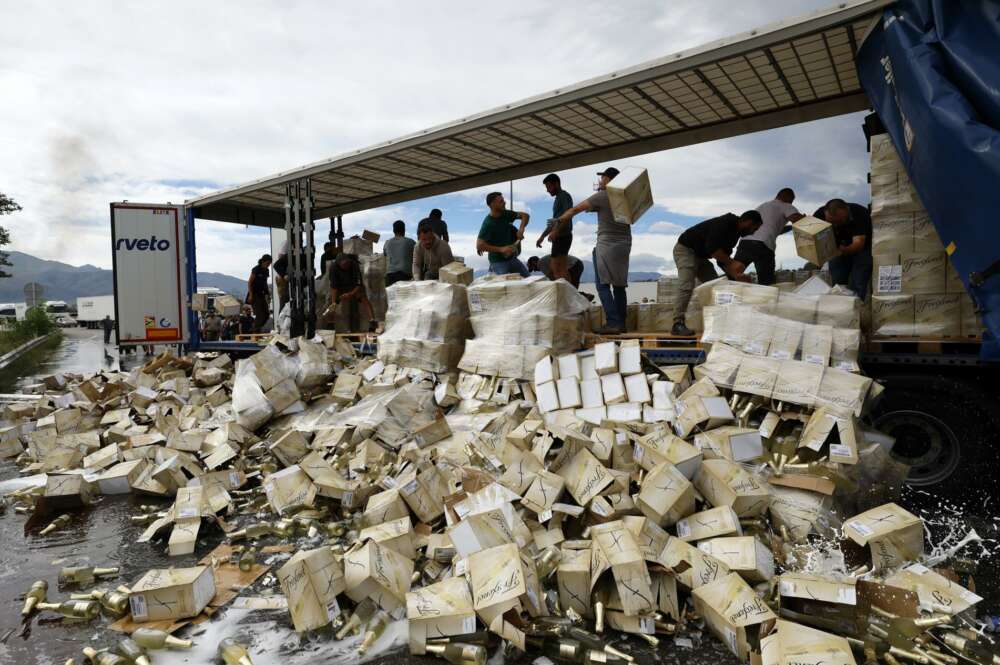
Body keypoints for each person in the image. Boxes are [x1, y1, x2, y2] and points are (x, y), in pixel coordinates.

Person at [551, 167, 629, 334]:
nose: (600, 182)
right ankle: (621, 322)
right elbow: (595, 209)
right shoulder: (624, 197)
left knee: (602, 285)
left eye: (602, 178)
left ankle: (613, 323)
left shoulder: (602, 196)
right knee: (619, 285)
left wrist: (559, 220)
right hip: (625, 244)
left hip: (607, 244)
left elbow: (575, 210)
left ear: (608, 180)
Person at [671, 210, 764, 335]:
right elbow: (713, 249)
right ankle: (677, 324)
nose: (753, 232)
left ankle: (721, 322)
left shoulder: (734, 235)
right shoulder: (725, 223)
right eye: (754, 228)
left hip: (701, 256)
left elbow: (722, 260)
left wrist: (737, 276)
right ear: (748, 222)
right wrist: (733, 263)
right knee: (686, 285)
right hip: (686, 249)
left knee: (715, 286)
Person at [734, 188, 804, 285]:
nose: (792, 203)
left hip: (745, 243)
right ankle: (765, 299)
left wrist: (791, 228)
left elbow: (775, 230)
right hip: (763, 246)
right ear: (787, 197)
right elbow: (797, 219)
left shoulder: (763, 206)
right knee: (766, 283)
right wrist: (804, 219)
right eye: (792, 200)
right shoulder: (785, 205)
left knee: (734, 274)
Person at [814, 198, 873, 300]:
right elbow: (811, 236)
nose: (836, 225)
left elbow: (858, 243)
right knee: (837, 284)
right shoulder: (819, 215)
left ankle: (856, 309)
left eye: (840, 221)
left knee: (858, 282)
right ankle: (840, 309)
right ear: (825, 212)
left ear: (847, 210)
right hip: (837, 250)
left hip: (862, 249)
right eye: (832, 222)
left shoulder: (859, 213)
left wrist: (843, 250)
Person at [478, 192, 530, 276]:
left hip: (512, 259)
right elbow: (479, 245)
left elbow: (525, 216)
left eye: (503, 200)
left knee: (528, 279)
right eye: (501, 201)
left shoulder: (506, 214)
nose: (504, 202)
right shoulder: (488, 224)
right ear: (492, 204)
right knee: (504, 287)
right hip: (498, 262)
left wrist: (521, 228)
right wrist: (501, 249)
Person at [534, 174, 574, 281]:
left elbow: (568, 215)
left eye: (549, 187)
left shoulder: (564, 196)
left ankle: (569, 294)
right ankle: (569, 293)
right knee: (557, 268)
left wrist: (556, 231)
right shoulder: (557, 199)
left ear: (556, 184)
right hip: (559, 237)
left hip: (563, 236)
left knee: (558, 269)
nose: (547, 190)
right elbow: (554, 222)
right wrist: (542, 236)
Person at [326, 253, 377, 332]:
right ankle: (330, 324)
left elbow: (359, 284)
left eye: (347, 263)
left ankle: (372, 321)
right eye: (344, 265)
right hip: (340, 287)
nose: (346, 266)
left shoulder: (354, 265)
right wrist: (334, 302)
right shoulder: (333, 268)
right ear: (338, 264)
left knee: (363, 297)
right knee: (331, 303)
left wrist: (351, 294)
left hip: (353, 286)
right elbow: (334, 287)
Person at [383, 220, 416, 286]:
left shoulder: (387, 243)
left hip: (389, 277)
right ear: (404, 230)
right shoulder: (411, 242)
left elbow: (385, 254)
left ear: (393, 230)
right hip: (404, 276)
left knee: (390, 296)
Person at [247, 254, 272, 333]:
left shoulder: (266, 271)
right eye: (267, 263)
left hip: (262, 294)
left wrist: (268, 294)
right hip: (254, 294)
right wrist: (251, 295)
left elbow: (265, 283)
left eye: (269, 264)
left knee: (266, 314)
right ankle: (255, 331)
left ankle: (256, 329)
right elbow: (250, 282)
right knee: (259, 314)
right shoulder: (256, 269)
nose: (268, 265)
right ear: (263, 261)